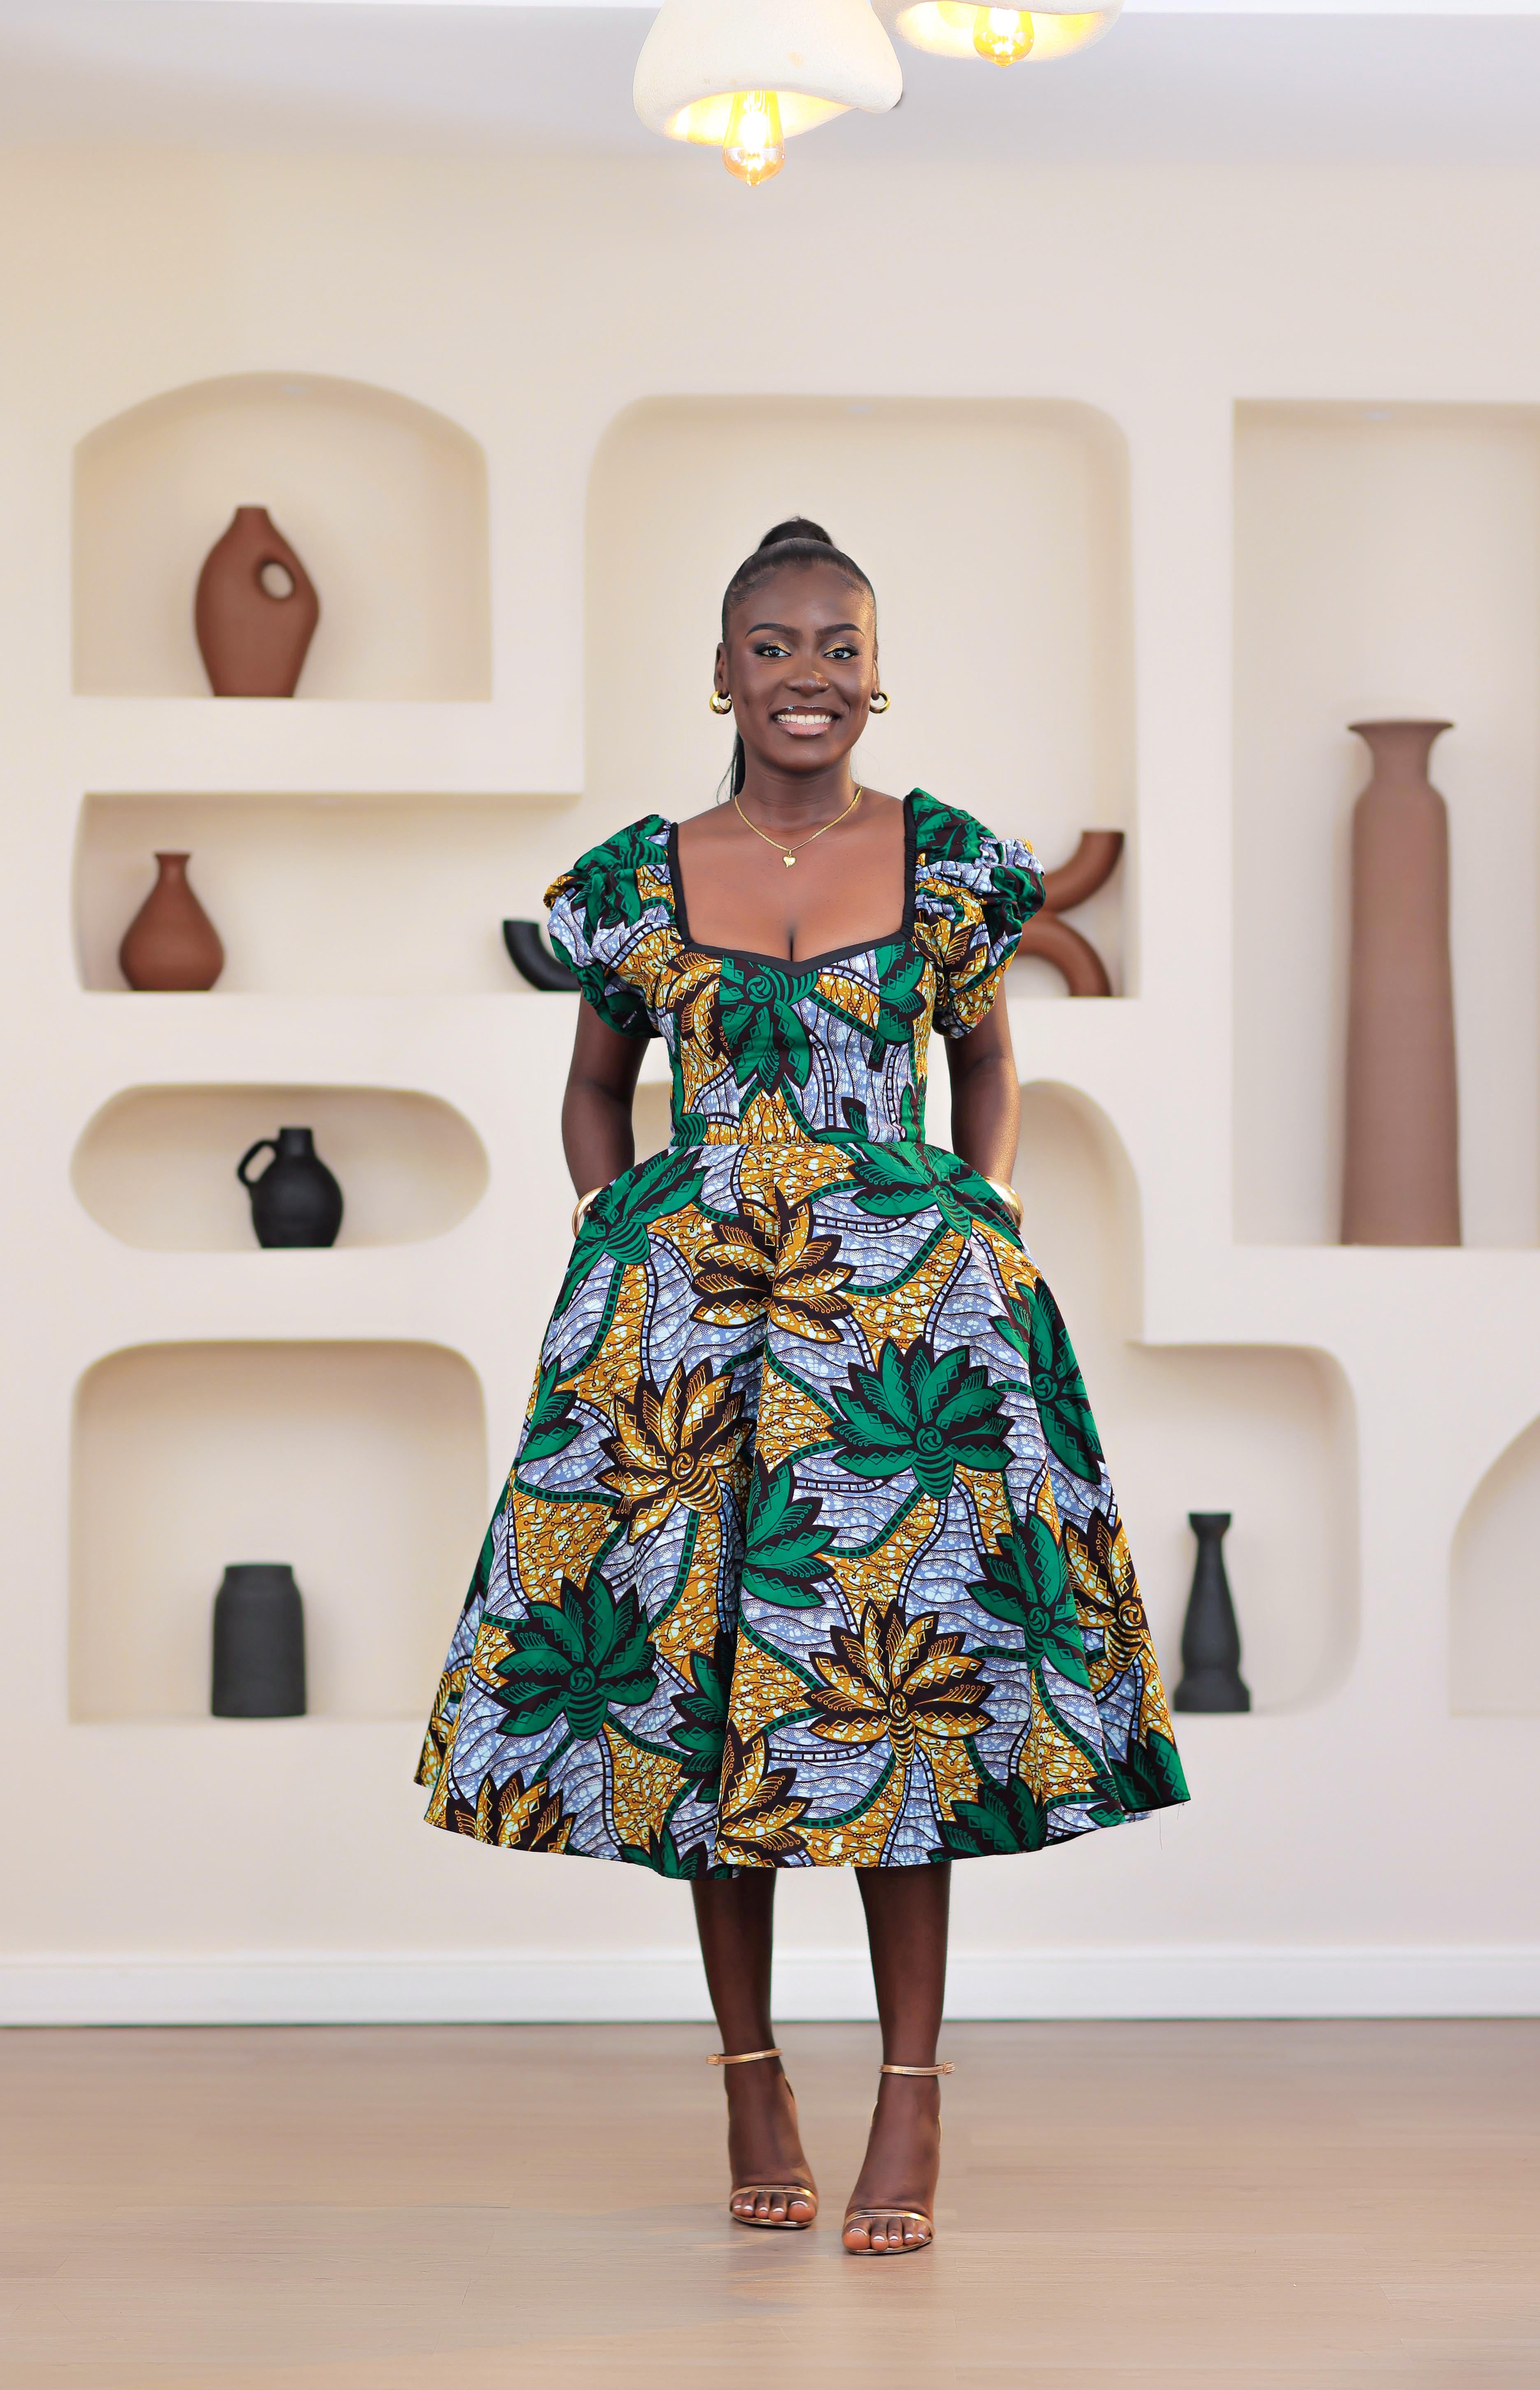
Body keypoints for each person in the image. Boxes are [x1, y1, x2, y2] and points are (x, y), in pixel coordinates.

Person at [416, 519, 1189, 2255]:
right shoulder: (635, 876)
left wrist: (969, 1215)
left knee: (892, 1708)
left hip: (903, 1337)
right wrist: (621, 1233)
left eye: (837, 645)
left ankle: (907, 2099)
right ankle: (750, 2076)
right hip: (689, 1342)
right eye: (772, 647)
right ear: (721, 674)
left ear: (874, 671)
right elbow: (593, 1089)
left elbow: (981, 1063)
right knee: (713, 1703)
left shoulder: (953, 867)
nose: (808, 676)